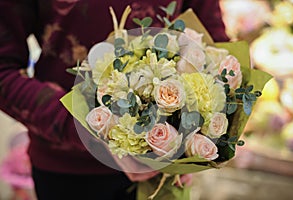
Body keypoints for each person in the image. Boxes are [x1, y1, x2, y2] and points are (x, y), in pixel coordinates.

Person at [0, 0, 228, 199]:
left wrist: (194, 136)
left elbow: (213, 42)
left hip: (167, 169)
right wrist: (92, 129)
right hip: (70, 172)